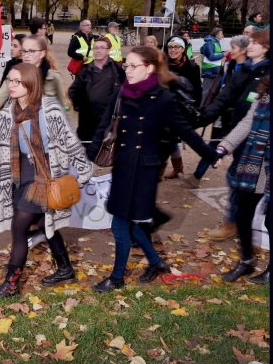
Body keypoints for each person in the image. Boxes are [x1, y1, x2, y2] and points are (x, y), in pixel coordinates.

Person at [0, 63, 93, 297]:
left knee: (20, 229)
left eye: (17, 81)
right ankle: (65, 268)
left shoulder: (50, 110)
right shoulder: (8, 113)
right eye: (10, 80)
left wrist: (84, 169)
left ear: (31, 83)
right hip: (19, 175)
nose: (12, 85)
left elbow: (70, 143)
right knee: (41, 225)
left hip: (43, 177)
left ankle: (11, 285)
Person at [87, 46, 219, 293]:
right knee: (133, 224)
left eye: (133, 66)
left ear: (149, 68)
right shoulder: (120, 94)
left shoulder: (164, 99)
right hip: (124, 165)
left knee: (121, 225)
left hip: (145, 170)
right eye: (126, 65)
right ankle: (157, 263)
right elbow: (104, 126)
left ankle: (116, 278)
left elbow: (186, 131)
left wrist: (211, 154)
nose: (127, 70)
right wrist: (88, 155)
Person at [195, 30, 269, 241]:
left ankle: (236, 223)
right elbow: (223, 100)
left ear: (265, 48)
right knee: (238, 178)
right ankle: (236, 222)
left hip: (262, 140)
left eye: (254, 42)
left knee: (243, 180)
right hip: (241, 135)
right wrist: (200, 119)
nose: (249, 45)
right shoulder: (244, 70)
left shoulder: (267, 73)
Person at [214, 75, 269, 283]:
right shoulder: (265, 91)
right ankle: (246, 261)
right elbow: (247, 122)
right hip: (254, 164)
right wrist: (223, 146)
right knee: (242, 213)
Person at [180, 35, 250, 188]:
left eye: (233, 48)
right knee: (215, 143)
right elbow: (216, 88)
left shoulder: (251, 71)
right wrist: (205, 109)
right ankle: (197, 176)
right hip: (222, 112)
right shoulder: (229, 65)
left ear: (244, 50)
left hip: (240, 116)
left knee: (240, 147)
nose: (229, 51)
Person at [0, 34, 67, 135]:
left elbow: (62, 109)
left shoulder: (53, 78)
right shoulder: (14, 75)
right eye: (24, 51)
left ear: (42, 53)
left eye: (31, 51)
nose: (26, 55)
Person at [159, 36, 203, 179]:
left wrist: (196, 109)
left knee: (169, 139)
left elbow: (197, 90)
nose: (173, 50)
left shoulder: (192, 67)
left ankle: (169, 169)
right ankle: (175, 168)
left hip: (181, 109)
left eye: (176, 47)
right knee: (165, 139)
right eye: (171, 47)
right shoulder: (163, 65)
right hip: (163, 106)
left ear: (183, 49)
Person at [69, 37, 125, 146]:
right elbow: (73, 91)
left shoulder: (118, 70)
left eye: (102, 48)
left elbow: (128, 90)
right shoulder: (85, 71)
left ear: (108, 50)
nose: (98, 50)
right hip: (88, 120)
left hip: (111, 119)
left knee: (110, 152)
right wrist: (80, 107)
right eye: (96, 48)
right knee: (86, 151)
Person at [200, 27, 227, 106]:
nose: (222, 35)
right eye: (221, 34)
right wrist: (223, 54)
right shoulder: (210, 43)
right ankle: (202, 107)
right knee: (207, 90)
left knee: (212, 90)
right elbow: (211, 57)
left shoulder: (214, 42)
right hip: (210, 70)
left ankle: (207, 106)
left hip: (214, 69)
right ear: (217, 34)